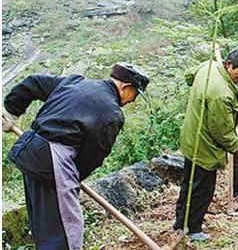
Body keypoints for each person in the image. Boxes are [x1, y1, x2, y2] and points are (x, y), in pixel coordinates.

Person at [2, 63, 149, 250]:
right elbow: (93, 157)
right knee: (66, 231)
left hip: (29, 149)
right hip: (53, 160)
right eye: (135, 94)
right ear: (126, 87)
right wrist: (72, 177)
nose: (133, 100)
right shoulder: (112, 113)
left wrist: (11, 110)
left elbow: (34, 82)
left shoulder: (76, 83)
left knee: (45, 226)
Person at [174, 46, 238, 242]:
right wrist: (237, 146)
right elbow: (221, 131)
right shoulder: (222, 94)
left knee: (188, 184)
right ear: (229, 64)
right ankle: (193, 228)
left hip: (190, 136)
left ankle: (180, 223)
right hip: (204, 146)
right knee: (202, 189)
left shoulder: (208, 66)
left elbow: (189, 76)